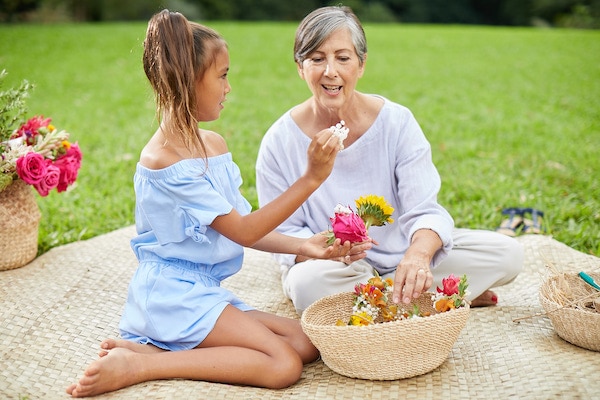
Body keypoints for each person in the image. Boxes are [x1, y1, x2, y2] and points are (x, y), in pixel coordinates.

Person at [66, 10, 371, 398]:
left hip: (201, 290)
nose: (229, 88)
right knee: (282, 365)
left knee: (305, 343)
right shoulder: (165, 161)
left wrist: (304, 246)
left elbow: (244, 223)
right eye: (222, 76)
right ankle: (144, 363)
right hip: (170, 296)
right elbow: (242, 231)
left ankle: (155, 347)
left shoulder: (212, 146)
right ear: (189, 81)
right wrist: (312, 177)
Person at [256, 6, 524, 315]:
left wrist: (418, 256)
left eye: (343, 58)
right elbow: (284, 234)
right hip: (334, 268)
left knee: (507, 254)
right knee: (307, 286)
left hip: (402, 255)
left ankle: (384, 299)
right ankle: (435, 296)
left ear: (361, 64)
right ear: (300, 67)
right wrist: (328, 249)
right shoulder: (279, 141)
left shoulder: (396, 122)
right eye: (317, 59)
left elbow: (424, 209)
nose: (330, 71)